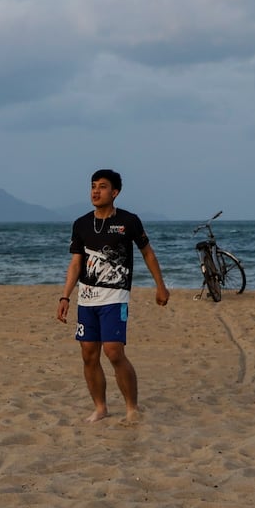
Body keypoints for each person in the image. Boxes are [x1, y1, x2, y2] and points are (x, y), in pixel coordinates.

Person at [55, 169, 170, 424]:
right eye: (93, 186)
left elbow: (147, 253)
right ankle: (101, 407)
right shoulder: (81, 224)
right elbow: (76, 264)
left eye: (102, 186)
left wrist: (160, 285)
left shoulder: (129, 221)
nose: (96, 191)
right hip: (87, 299)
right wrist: (65, 297)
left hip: (115, 297)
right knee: (88, 354)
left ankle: (132, 408)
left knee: (114, 352)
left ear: (115, 192)